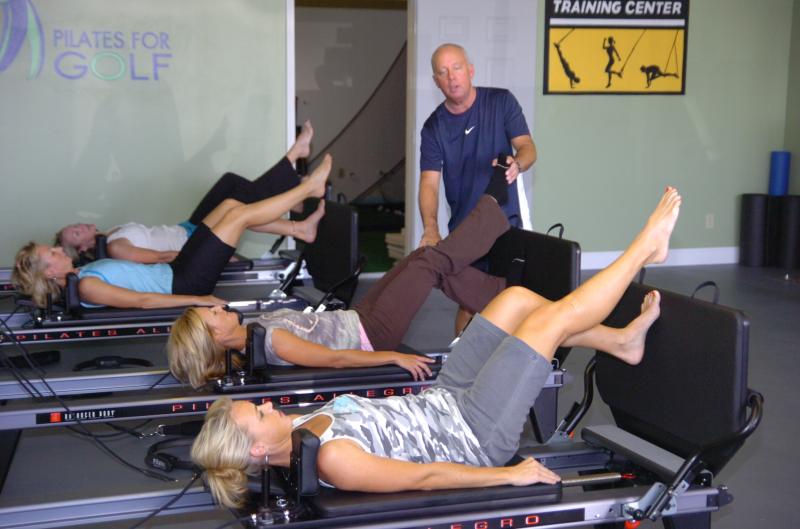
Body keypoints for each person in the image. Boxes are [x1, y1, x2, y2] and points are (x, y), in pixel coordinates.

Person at [191, 187, 682, 508]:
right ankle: (645, 247)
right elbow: (424, 477)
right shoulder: (330, 459)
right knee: (549, 321)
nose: (265, 404)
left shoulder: (298, 431)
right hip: (474, 434)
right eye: (257, 413)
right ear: (259, 447)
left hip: (445, 397)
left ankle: (620, 341)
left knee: (513, 301)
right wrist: (508, 477)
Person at [168, 176, 518, 389]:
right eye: (212, 315)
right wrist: (394, 357)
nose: (219, 307)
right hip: (372, 334)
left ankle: (499, 293)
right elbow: (335, 360)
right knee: (427, 264)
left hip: (358, 318)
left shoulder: (252, 335)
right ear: (216, 337)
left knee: (419, 258)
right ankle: (493, 205)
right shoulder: (271, 340)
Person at [11, 156, 332, 310]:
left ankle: (301, 228)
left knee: (230, 205)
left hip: (178, 267)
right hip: (186, 280)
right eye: (51, 253)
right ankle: (308, 189)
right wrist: (199, 299)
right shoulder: (87, 286)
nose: (58, 250)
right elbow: (144, 300)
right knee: (239, 216)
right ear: (49, 272)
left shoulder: (83, 273)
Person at [55, 122, 315, 265]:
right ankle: (294, 160)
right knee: (238, 203)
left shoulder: (111, 234)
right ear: (83, 248)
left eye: (74, 225)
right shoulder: (115, 247)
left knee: (230, 184)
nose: (80, 226)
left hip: (189, 228)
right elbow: (162, 258)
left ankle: (297, 212)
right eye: (76, 233)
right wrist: (214, 256)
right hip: (196, 240)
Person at [419, 43, 538, 333]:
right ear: (436, 81)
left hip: (506, 222)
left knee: (514, 298)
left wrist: (518, 163)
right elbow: (429, 183)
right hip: (466, 227)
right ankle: (462, 358)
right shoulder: (434, 127)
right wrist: (431, 228)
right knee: (470, 304)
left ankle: (512, 356)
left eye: (457, 68)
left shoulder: (501, 102)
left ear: (470, 70)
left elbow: (527, 147)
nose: (452, 77)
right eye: (443, 72)